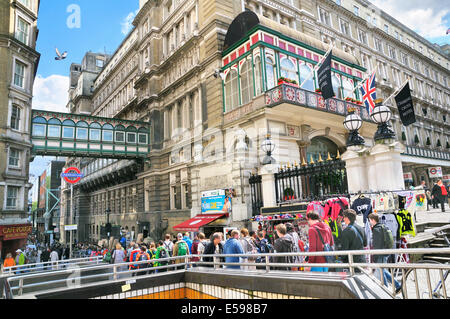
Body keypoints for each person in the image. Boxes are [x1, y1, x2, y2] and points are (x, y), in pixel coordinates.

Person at [368, 213, 401, 293]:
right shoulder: (383, 226)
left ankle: (386, 289)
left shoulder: (376, 229)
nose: (369, 222)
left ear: (372, 220)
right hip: (386, 252)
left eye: (370, 220)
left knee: (382, 271)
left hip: (380, 253)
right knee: (383, 270)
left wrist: (375, 256)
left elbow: (377, 244)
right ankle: (397, 285)